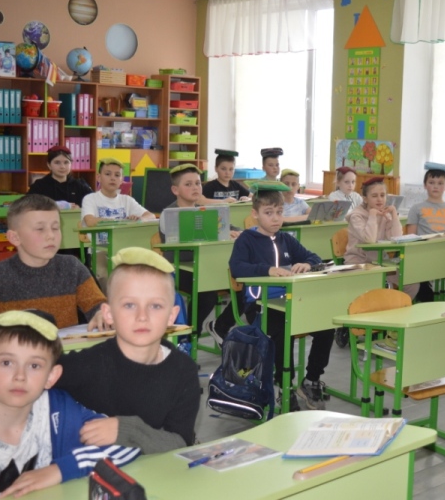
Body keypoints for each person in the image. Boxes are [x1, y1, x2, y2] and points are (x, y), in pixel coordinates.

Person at [0, 247, 201, 455]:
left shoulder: (184, 371)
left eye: (155, 306)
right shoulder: (90, 364)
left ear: (172, 316)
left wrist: (127, 430)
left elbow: (180, 443)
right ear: (108, 314)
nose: (142, 316)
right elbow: (18, 375)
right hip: (82, 475)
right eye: (129, 305)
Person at [0, 310, 140, 498]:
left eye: (34, 366)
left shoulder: (60, 411)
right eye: (7, 362)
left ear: (51, 376)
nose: (20, 376)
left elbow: (128, 442)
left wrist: (61, 469)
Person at [0, 194, 106, 353]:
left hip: (64, 358)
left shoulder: (72, 267)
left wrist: (101, 313)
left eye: (55, 227)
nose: (51, 235)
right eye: (40, 229)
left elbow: (98, 305)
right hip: (18, 362)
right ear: (14, 237)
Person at [229, 187, 332, 411]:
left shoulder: (286, 239)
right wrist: (267, 270)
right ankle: (284, 385)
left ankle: (311, 380)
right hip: (260, 305)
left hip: (290, 300)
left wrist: (308, 264)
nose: (276, 218)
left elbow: (314, 257)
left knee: (326, 325)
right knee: (283, 329)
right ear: (255, 214)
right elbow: (236, 268)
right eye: (269, 213)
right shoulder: (247, 239)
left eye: (279, 212)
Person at [159, 164, 242, 343]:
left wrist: (238, 232)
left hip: (207, 267)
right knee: (206, 294)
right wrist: (218, 234)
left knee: (245, 286)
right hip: (180, 270)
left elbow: (232, 227)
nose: (195, 188)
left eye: (197, 183)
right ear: (175, 190)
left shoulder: (207, 211)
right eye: (188, 184)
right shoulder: (169, 214)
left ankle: (220, 326)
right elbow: (185, 242)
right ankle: (188, 336)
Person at [344, 177, 420, 299]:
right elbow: (369, 239)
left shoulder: (385, 214)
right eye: (374, 196)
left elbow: (397, 238)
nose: (379, 199)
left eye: (382, 195)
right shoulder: (356, 216)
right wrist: (372, 215)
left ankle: (396, 307)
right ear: (365, 199)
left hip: (380, 261)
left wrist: (394, 215)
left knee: (411, 283)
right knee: (377, 285)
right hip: (358, 262)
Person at [406, 167, 445, 301]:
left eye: (440, 183)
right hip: (425, 254)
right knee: (423, 288)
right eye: (431, 182)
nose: (436, 186)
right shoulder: (416, 208)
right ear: (425, 185)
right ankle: (426, 297)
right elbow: (410, 238)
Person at [81, 157, 153, 227]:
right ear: (99, 177)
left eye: (117, 175)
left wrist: (139, 220)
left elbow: (151, 216)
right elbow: (90, 221)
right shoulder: (90, 199)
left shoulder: (127, 200)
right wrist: (118, 221)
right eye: (108, 174)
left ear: (122, 180)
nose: (113, 178)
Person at [28, 145, 93, 207]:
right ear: (49, 165)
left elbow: (94, 203)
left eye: (66, 162)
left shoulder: (80, 186)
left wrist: (81, 208)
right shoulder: (39, 186)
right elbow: (27, 205)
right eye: (57, 162)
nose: (62, 167)